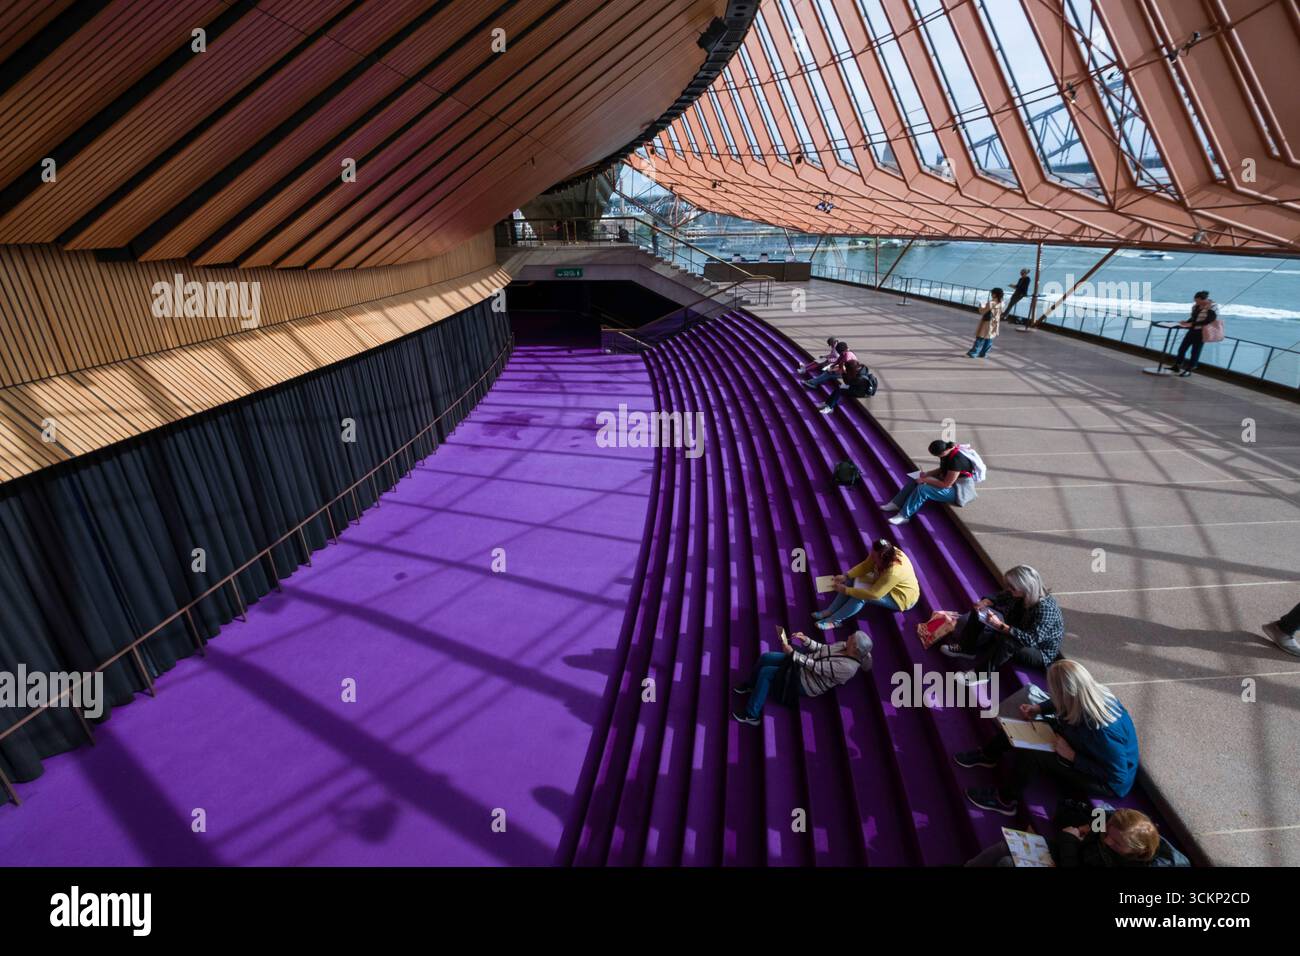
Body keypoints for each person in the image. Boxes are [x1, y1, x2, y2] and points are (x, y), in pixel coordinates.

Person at [956, 660, 1140, 817]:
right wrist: (1039, 709)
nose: (1052, 693)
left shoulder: (1103, 731)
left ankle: (1005, 800)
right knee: (1026, 725)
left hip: (1106, 780)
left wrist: (1073, 757)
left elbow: (1118, 774)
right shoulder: (1087, 695)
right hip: (1082, 743)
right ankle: (989, 754)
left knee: (1036, 754)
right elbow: (1064, 702)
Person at [940, 565, 1064, 684]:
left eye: (1012, 587)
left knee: (1008, 641)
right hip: (1017, 629)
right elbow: (1000, 596)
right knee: (979, 612)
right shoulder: (1020, 593)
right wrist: (986, 601)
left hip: (1039, 650)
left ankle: (981, 675)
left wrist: (1000, 625)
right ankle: (966, 648)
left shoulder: (1046, 609)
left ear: (1026, 588)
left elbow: (1030, 640)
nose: (1009, 589)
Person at [732, 629, 873, 725]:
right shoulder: (844, 645)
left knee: (766, 673)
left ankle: (752, 715)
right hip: (803, 663)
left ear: (854, 648)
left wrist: (793, 654)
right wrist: (806, 640)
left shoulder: (848, 668)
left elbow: (816, 668)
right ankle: (752, 685)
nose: (848, 637)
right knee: (766, 657)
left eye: (851, 638)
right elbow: (823, 649)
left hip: (806, 681)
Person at [966, 807, 1189, 867]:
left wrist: (1070, 840)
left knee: (1007, 864)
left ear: (1137, 851)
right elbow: (1102, 814)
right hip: (1073, 854)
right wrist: (1085, 828)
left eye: (1116, 843)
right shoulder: (1113, 825)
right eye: (1107, 834)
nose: (1107, 841)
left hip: (1072, 856)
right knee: (1002, 849)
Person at [813, 539, 920, 630]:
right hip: (884, 581)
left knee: (861, 597)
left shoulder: (894, 572)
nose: (871, 557)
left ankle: (835, 620)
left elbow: (873, 594)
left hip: (900, 597)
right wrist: (846, 575)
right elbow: (866, 566)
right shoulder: (886, 552)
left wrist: (846, 590)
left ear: (882, 558)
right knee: (851, 581)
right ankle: (830, 611)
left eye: (873, 556)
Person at [882, 439, 979, 525]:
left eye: (937, 455)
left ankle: (904, 516)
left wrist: (925, 480)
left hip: (959, 491)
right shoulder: (946, 453)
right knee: (915, 479)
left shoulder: (957, 461)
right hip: (951, 483)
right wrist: (927, 474)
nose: (937, 457)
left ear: (944, 451)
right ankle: (896, 503)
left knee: (923, 489)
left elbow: (946, 484)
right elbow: (943, 469)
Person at [1169, 291, 1217, 377]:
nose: (1196, 302)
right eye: (1195, 300)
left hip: (1201, 332)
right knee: (1182, 349)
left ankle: (1189, 370)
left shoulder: (1212, 307)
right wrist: (1187, 322)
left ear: (1204, 299)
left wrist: (1193, 324)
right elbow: (1194, 317)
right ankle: (1177, 366)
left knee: (1195, 352)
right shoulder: (1196, 306)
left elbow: (1209, 320)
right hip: (1192, 330)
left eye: (1198, 301)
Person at [967, 287, 1004, 358]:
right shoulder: (1002, 303)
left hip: (987, 323)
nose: (991, 295)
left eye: (992, 293)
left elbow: (982, 311)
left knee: (980, 337)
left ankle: (973, 353)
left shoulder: (991, 303)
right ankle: (983, 354)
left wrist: (981, 306)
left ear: (995, 294)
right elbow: (1002, 312)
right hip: (995, 323)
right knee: (989, 339)